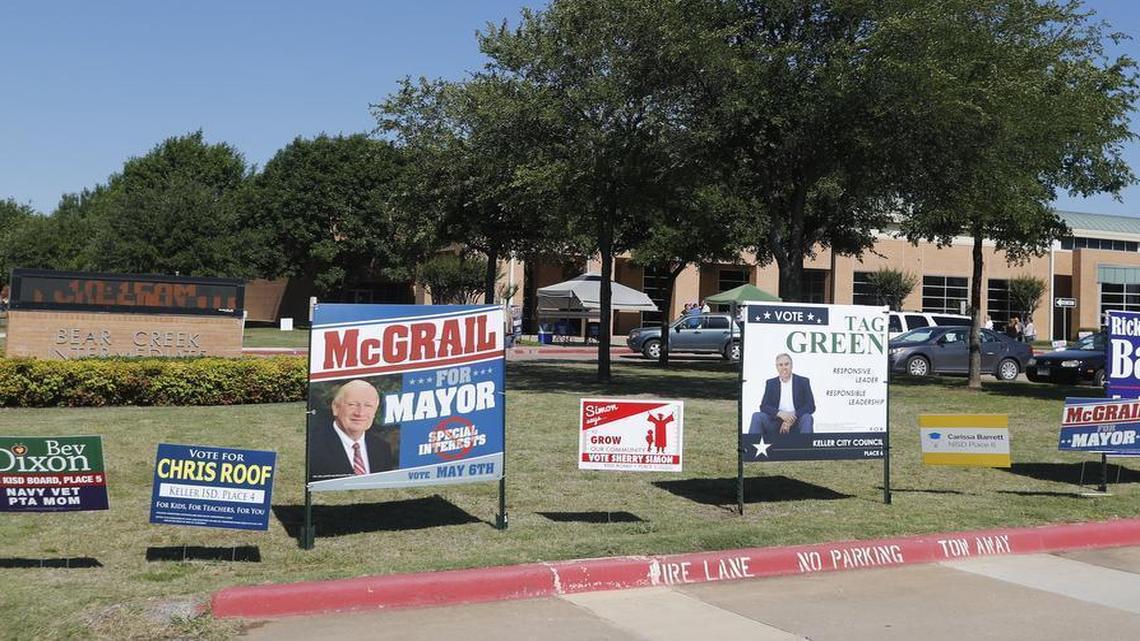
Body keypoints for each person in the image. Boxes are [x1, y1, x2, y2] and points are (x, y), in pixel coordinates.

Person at [308, 379, 395, 481]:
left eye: (368, 405)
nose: (360, 413)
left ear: (375, 411)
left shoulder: (382, 448)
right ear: (335, 407)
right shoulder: (312, 447)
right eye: (352, 404)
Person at [748, 353, 816, 437]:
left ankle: (807, 449)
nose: (784, 367)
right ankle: (751, 449)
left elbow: (811, 406)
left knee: (807, 418)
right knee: (757, 416)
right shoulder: (771, 383)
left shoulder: (803, 381)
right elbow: (764, 406)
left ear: (791, 365)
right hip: (775, 422)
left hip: (797, 422)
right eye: (780, 365)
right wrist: (780, 413)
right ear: (777, 367)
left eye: (787, 364)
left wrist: (792, 417)